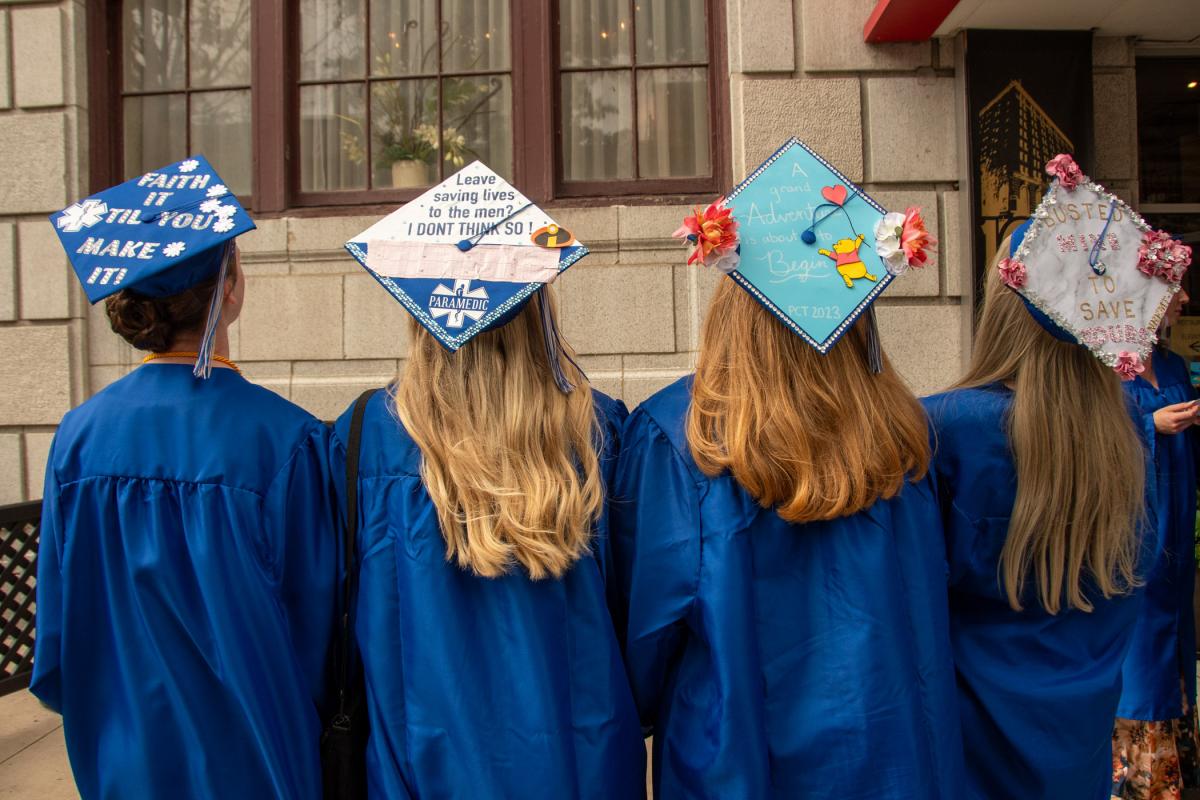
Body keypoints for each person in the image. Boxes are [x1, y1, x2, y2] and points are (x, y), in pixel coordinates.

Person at [611, 138, 961, 798]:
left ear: (730, 307)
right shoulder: (906, 434)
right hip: (897, 757)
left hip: (743, 760)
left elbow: (648, 634)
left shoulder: (677, 434)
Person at [331, 161, 645, 799]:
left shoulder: (365, 438)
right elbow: (638, 615)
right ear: (538, 312)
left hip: (419, 766)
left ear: (423, 314)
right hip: (577, 760)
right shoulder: (600, 434)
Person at [31, 156, 336, 800]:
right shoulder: (288, 439)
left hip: (126, 754)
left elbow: (58, 635)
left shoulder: (78, 437)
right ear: (228, 289)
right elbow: (318, 630)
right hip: (257, 755)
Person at [923, 154, 1186, 800]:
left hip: (968, 752)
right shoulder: (1128, 439)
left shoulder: (946, 431)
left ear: (1001, 309)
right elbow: (1141, 570)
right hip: (1079, 750)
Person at [1112, 285, 1200, 799]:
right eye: (1175, 288)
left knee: (1173, 639)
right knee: (1139, 647)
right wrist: (1149, 425)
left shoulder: (1171, 366)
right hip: (1133, 530)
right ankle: (1132, 775)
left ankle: (1174, 763)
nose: (1185, 299)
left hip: (1176, 526)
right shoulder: (1105, 370)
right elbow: (1087, 440)